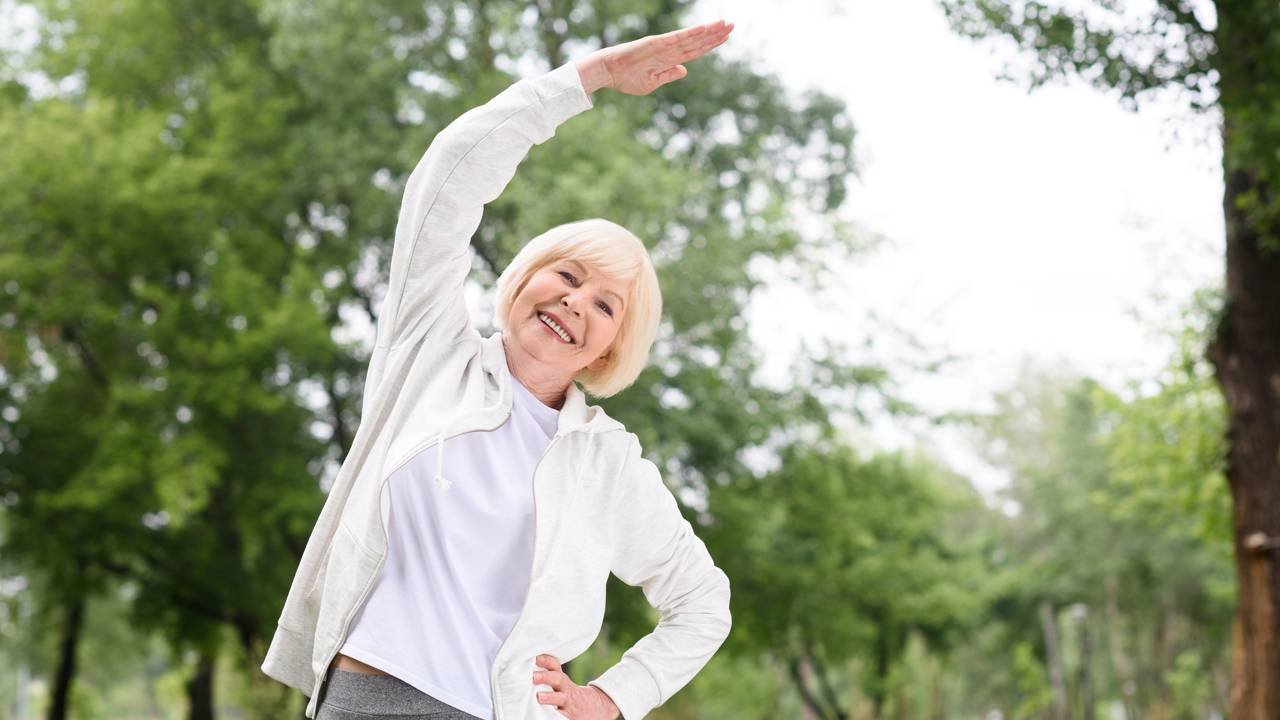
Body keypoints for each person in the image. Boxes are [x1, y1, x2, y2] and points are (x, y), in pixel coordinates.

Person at [260, 18, 737, 720]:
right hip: (368, 696)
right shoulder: (429, 352)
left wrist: (613, 698)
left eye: (606, 305)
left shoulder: (608, 462)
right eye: (567, 274)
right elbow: (447, 177)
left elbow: (702, 603)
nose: (576, 301)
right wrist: (591, 77)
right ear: (525, 279)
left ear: (610, 347)